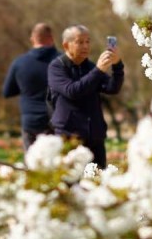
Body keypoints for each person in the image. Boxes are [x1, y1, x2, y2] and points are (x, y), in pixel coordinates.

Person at [47, 25, 124, 169]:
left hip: (95, 136)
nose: (85, 46)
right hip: (69, 136)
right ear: (66, 45)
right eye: (80, 42)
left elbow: (112, 88)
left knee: (97, 181)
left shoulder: (90, 67)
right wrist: (98, 71)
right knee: (70, 182)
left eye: (88, 41)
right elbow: (72, 91)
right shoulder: (57, 67)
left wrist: (117, 65)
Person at [2, 23, 60, 149]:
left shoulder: (20, 63)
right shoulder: (63, 62)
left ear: (32, 39)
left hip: (30, 121)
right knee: (57, 166)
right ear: (51, 38)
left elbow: (7, 92)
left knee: (32, 165)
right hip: (57, 121)